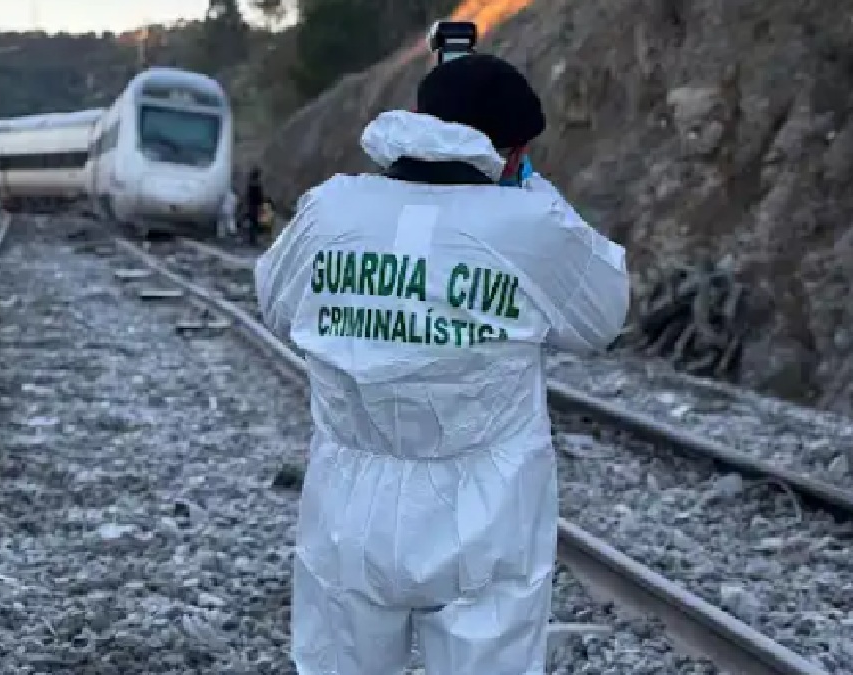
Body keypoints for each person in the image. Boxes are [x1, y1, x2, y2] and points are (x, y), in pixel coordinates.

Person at [254, 53, 629, 675]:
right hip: (484, 514)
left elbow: (276, 304)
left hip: (349, 504)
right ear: (512, 153)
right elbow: (602, 316)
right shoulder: (531, 223)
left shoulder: (331, 210)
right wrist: (532, 189)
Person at [245, 166, 265, 245]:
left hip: (251, 205)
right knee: (254, 223)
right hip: (256, 206)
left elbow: (248, 195)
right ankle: (252, 239)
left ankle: (251, 238)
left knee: (251, 223)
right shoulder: (257, 185)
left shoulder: (250, 184)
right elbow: (260, 197)